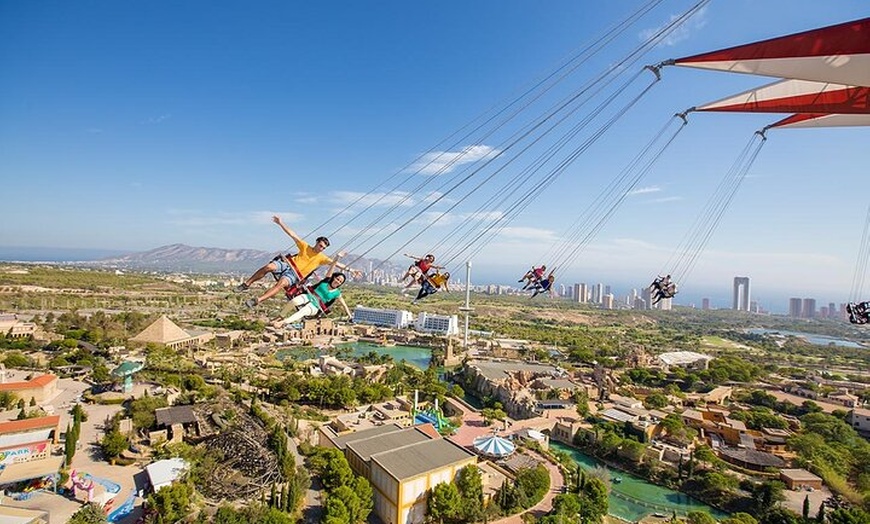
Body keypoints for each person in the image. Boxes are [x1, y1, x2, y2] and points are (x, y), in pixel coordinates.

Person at [237, 215, 357, 308]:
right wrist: (280, 223)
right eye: (321, 246)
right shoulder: (305, 247)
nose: (321, 249)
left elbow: (336, 264)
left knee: (281, 284)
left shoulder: (322, 258)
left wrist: (350, 270)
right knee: (269, 267)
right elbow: (292, 234)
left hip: (294, 275)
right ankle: (247, 284)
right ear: (317, 243)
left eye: (324, 248)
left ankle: (258, 300)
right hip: (288, 264)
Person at [272, 259, 352, 327]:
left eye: (340, 282)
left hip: (316, 306)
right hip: (309, 296)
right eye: (337, 279)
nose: (338, 282)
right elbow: (332, 267)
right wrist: (338, 257)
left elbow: (344, 305)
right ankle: (280, 316)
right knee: (294, 301)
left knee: (302, 312)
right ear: (334, 278)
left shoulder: (337, 293)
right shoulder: (326, 281)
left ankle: (282, 322)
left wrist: (350, 315)